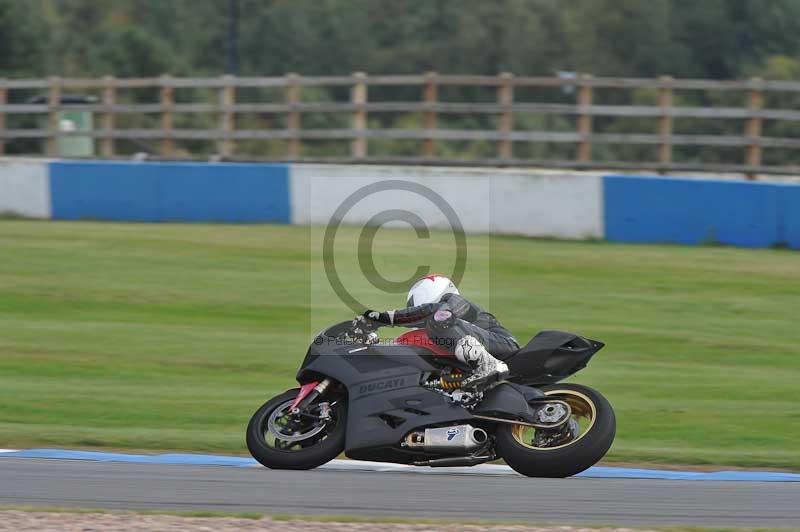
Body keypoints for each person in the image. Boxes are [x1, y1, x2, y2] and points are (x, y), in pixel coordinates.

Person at [361, 274, 519, 391]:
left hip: (503, 346)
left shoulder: (454, 303)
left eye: (413, 307)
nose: (413, 311)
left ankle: (487, 364)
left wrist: (382, 318)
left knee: (437, 321)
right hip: (482, 348)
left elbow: (433, 313)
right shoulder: (445, 324)